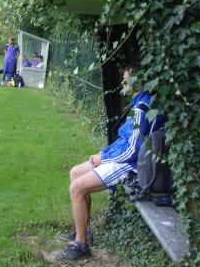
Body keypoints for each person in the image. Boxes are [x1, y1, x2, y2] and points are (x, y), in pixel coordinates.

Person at [55, 64, 152, 261]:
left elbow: (133, 151)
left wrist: (104, 159)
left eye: (126, 81)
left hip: (130, 166)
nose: (122, 84)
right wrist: (104, 152)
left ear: (138, 83)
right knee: (75, 172)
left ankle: (81, 245)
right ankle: (85, 232)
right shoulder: (136, 104)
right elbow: (126, 139)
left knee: (77, 188)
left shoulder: (141, 108)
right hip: (120, 158)